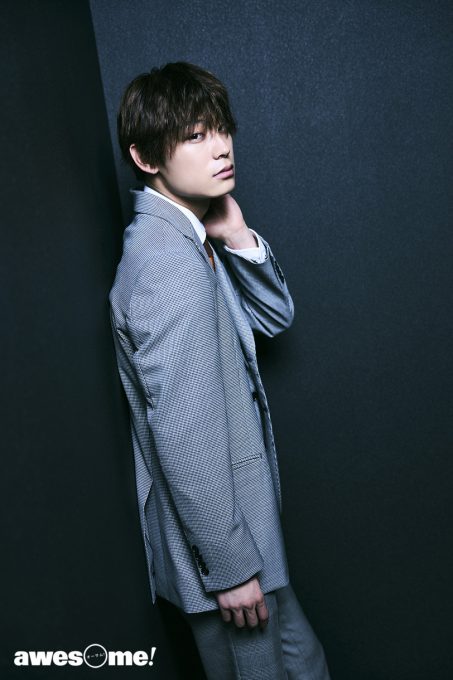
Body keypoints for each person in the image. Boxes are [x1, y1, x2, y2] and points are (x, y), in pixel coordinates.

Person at [110, 61, 331, 679]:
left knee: (304, 665)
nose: (222, 147)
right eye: (195, 135)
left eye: (222, 129)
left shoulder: (190, 238)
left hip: (248, 532)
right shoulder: (165, 263)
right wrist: (231, 568)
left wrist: (236, 236)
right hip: (221, 556)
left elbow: (274, 318)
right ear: (145, 157)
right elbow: (182, 432)